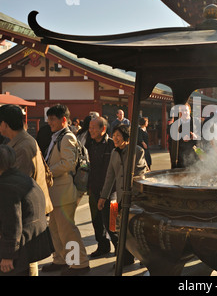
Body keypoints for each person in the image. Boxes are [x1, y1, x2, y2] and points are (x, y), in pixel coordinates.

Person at [0, 104, 54, 275]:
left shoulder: (22, 146)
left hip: (26, 217)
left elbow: (14, 196)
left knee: (24, 263)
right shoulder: (20, 141)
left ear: (4, 124)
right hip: (30, 212)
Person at [40, 104, 90, 276]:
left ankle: (79, 264)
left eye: (52, 119)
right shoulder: (58, 136)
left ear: (63, 120)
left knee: (67, 230)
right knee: (55, 229)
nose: (49, 122)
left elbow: (67, 164)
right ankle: (61, 260)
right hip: (57, 193)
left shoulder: (67, 137)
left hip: (64, 192)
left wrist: (46, 172)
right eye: (49, 119)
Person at [97, 124, 148, 266]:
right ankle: (126, 258)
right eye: (113, 135)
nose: (115, 138)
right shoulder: (114, 152)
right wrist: (103, 197)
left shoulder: (137, 151)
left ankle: (145, 258)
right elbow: (110, 176)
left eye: (118, 135)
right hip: (120, 198)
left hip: (135, 199)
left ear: (126, 137)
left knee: (136, 231)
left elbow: (141, 174)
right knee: (121, 230)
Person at [85, 116, 116, 258]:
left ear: (103, 129)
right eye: (89, 127)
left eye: (93, 128)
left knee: (112, 222)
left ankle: (121, 250)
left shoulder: (112, 144)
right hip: (94, 188)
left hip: (111, 190)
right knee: (97, 220)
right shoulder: (89, 144)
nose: (90, 130)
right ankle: (102, 246)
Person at [168, 103, 199, 168]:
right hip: (179, 159)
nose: (184, 112)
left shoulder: (197, 123)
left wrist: (196, 137)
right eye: (181, 111)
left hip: (194, 159)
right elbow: (171, 145)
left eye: (186, 110)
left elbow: (204, 140)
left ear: (190, 111)